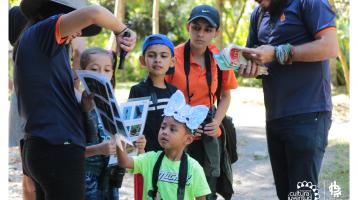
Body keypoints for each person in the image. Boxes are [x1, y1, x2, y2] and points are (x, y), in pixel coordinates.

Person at [13, 0, 136, 199]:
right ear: (60, 15)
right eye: (78, 25)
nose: (79, 33)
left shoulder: (45, 48)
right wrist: (122, 30)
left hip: (45, 148)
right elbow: (95, 12)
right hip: (57, 150)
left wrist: (85, 106)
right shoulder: (45, 30)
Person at [241, 0, 338, 199]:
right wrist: (248, 67)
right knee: (285, 195)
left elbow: (330, 47)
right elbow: (256, 58)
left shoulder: (309, 2)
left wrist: (278, 53)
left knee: (302, 194)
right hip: (275, 116)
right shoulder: (258, 14)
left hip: (309, 114)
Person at [165, 4, 238, 199]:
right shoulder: (172, 56)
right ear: (188, 27)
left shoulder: (221, 59)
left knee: (206, 189)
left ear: (216, 33)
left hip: (207, 132)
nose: (200, 34)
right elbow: (164, 95)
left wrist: (216, 122)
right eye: (196, 27)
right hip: (178, 131)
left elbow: (225, 96)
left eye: (208, 29)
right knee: (176, 187)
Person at [117, 90, 212, 200]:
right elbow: (124, 162)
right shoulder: (150, 159)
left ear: (188, 139)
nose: (165, 132)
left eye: (172, 129)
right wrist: (120, 139)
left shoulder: (194, 168)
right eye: (163, 127)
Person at [79, 47, 146, 200]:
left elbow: (125, 148)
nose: (101, 74)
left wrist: (136, 143)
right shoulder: (79, 104)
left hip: (111, 177)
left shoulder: (114, 106)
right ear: (82, 72)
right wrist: (98, 149)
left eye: (107, 70)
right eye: (94, 69)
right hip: (87, 178)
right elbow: (70, 151)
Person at [128, 34, 177, 200]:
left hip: (171, 161)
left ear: (172, 61)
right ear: (143, 61)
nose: (158, 60)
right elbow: (131, 127)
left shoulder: (175, 93)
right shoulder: (137, 91)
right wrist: (137, 143)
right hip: (146, 160)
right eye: (151, 55)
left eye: (163, 56)